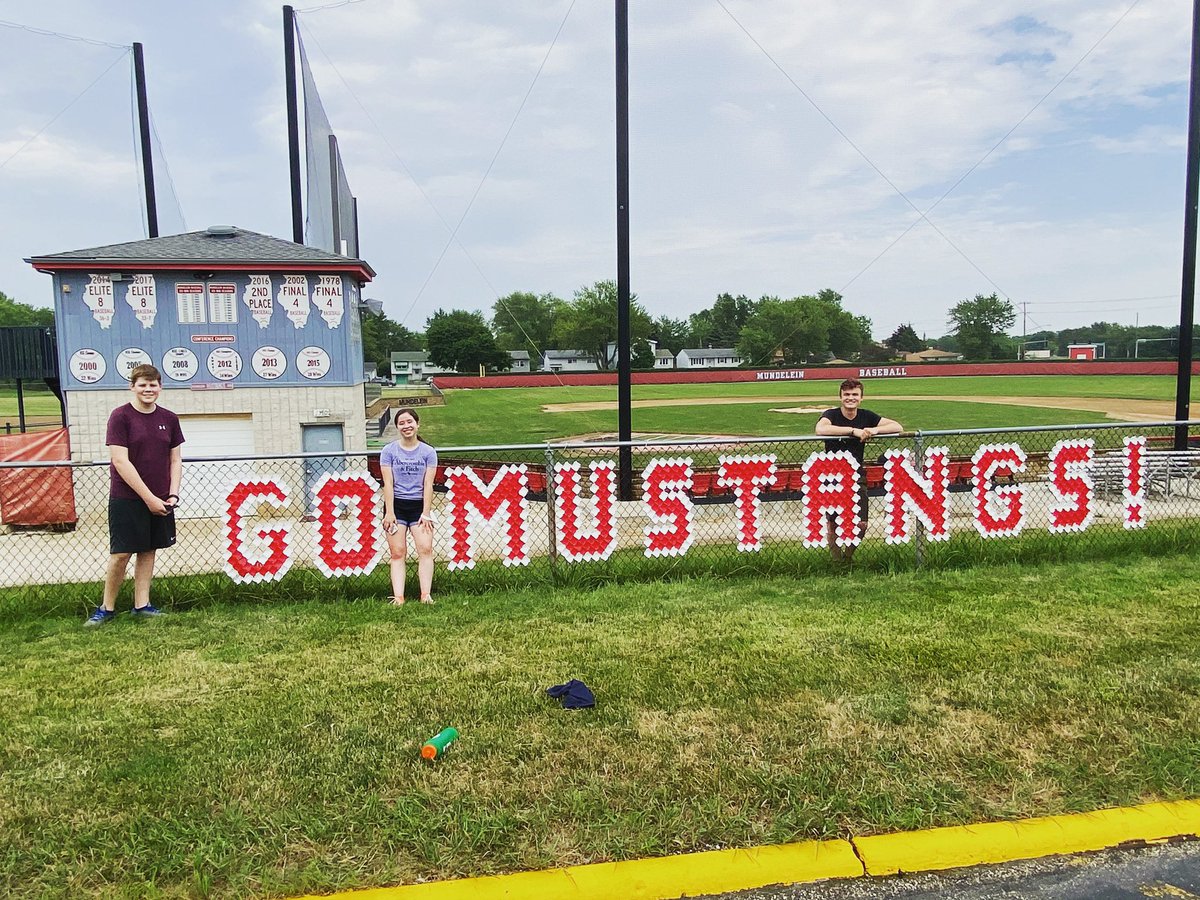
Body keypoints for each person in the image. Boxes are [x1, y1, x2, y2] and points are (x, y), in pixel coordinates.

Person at [86, 364, 184, 626]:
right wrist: (148, 498)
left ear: (160, 387)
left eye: (153, 385)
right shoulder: (121, 417)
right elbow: (120, 461)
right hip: (127, 498)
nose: (148, 389)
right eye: (142, 385)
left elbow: (175, 459)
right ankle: (106, 608)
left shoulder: (169, 419)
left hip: (162, 499)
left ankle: (142, 605)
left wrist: (172, 494)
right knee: (122, 554)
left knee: (149, 550)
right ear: (132, 387)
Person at [815, 378, 902, 562]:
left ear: (861, 398)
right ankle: (836, 561)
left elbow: (897, 426)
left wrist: (874, 430)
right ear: (840, 397)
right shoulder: (831, 414)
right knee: (833, 523)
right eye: (846, 394)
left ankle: (848, 557)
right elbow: (821, 429)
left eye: (855, 394)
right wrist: (853, 431)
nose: (850, 398)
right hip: (833, 476)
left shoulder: (866, 416)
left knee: (861, 523)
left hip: (856, 474)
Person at [379, 407, 438, 605]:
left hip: (419, 506)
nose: (406, 426)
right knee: (397, 552)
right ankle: (399, 597)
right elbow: (388, 483)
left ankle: (425, 595)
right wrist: (389, 512)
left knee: (425, 548)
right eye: (401, 423)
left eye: (409, 422)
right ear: (397, 427)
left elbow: (428, 484)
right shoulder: (389, 451)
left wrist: (426, 513)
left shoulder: (428, 452)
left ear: (417, 424)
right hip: (396, 506)